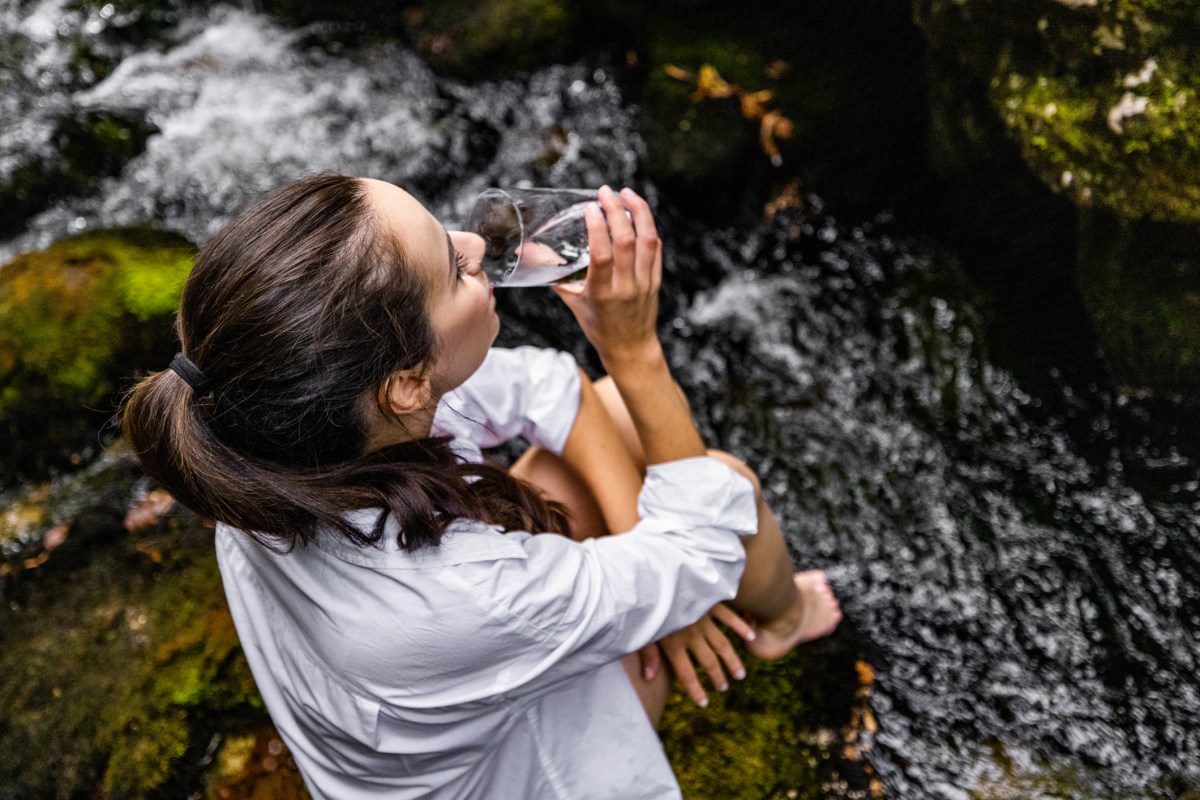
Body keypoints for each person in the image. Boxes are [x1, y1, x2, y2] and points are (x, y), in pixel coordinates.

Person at [121, 174, 842, 798]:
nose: (475, 244)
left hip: (433, 699)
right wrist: (635, 348)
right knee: (724, 479)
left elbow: (551, 390)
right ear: (405, 386)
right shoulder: (462, 598)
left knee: (618, 414)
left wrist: (653, 573)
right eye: (452, 268)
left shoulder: (262, 433)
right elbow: (712, 539)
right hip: (524, 772)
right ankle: (783, 625)